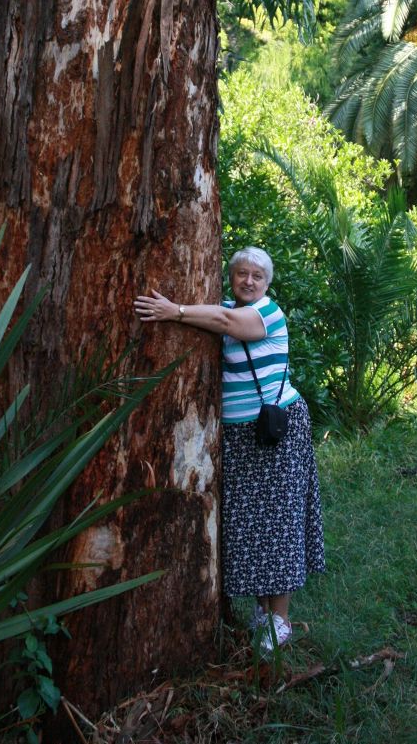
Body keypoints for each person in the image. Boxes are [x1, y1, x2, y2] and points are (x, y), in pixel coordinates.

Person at [134, 247, 325, 651]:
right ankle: (262, 611)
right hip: (240, 436)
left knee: (278, 522)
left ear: (267, 283)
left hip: (278, 432)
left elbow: (223, 321)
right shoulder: (225, 307)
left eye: (257, 275)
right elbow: (218, 315)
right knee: (249, 522)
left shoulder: (266, 314)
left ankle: (281, 619)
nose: (249, 281)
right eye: (241, 274)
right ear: (232, 277)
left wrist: (175, 311)